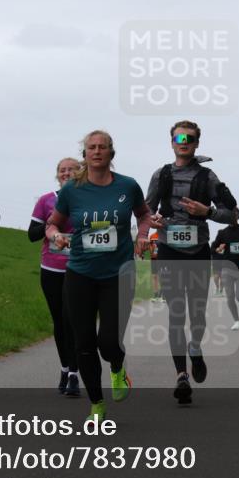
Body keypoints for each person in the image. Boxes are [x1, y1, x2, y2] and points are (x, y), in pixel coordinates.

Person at [45, 131, 151, 422]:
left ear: (111, 153)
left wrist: (142, 236)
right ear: (85, 154)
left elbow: (144, 215)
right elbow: (52, 224)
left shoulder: (128, 186)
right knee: (84, 342)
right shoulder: (72, 190)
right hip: (80, 273)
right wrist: (56, 236)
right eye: (91, 148)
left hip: (119, 274)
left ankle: (117, 368)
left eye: (102, 147)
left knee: (108, 340)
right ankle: (96, 403)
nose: (96, 152)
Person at [146, 120, 236, 405]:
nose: (184, 141)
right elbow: (145, 211)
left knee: (196, 314)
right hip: (169, 249)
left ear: (197, 143)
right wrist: (152, 222)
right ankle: (181, 376)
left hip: (197, 251)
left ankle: (195, 347)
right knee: (176, 313)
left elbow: (232, 213)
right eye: (179, 137)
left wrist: (207, 210)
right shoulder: (161, 175)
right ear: (171, 142)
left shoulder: (208, 177)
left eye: (190, 138)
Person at [29, 158, 81, 397]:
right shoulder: (46, 200)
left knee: (73, 320)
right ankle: (65, 368)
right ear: (57, 175)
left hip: (79, 268)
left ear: (80, 173)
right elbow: (32, 234)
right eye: (62, 170)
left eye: (71, 169)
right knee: (60, 321)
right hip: (51, 269)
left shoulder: (88, 199)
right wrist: (50, 226)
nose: (66, 173)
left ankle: (74, 373)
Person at [149, 231, 162, 302]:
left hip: (162, 258)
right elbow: (150, 247)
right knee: (154, 277)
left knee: (162, 276)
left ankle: (163, 295)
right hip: (154, 259)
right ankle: (155, 294)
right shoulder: (152, 236)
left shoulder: (164, 235)